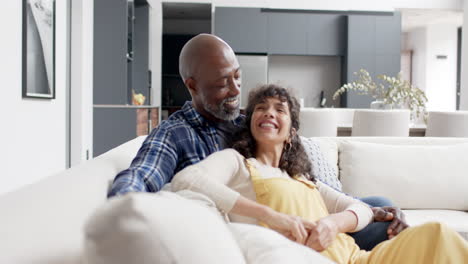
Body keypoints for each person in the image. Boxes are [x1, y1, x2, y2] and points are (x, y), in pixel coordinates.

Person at [108, 33, 403, 249]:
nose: (236, 89)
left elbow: (299, 179)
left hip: (302, 217)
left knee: (381, 208)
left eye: (237, 77)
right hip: (260, 231)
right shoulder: (176, 133)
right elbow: (139, 177)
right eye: (223, 83)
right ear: (192, 86)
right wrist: (120, 214)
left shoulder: (247, 120)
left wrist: (351, 209)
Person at [171, 84, 468, 263]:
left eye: (280, 110)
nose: (269, 113)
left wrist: (332, 224)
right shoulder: (237, 162)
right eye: (261, 108)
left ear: (292, 132)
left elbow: (361, 209)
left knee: (438, 234)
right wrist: (272, 216)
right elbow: (186, 180)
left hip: (359, 259)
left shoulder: (302, 179)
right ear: (251, 123)